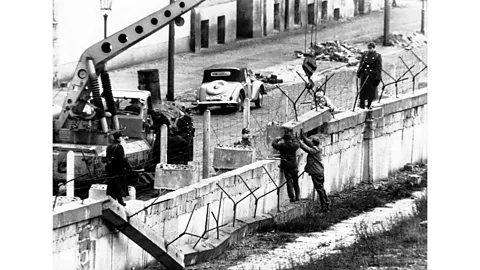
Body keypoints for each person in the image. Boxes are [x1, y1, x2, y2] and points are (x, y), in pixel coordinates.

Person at [298, 132, 330, 211]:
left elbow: (306, 148)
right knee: (321, 188)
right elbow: (309, 144)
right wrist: (304, 138)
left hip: (316, 171)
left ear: (314, 143)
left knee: (319, 189)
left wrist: (299, 142)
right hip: (319, 171)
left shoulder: (314, 150)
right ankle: (326, 202)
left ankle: (324, 206)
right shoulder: (317, 147)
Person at [272, 130, 301, 202]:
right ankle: (297, 196)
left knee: (289, 181)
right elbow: (298, 143)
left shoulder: (282, 146)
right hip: (294, 165)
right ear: (290, 139)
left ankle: (292, 197)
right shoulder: (294, 145)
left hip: (286, 165)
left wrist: (279, 138)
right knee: (296, 182)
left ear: (284, 139)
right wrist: (293, 137)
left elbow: (274, 144)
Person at [104, 132, 132, 206]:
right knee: (119, 185)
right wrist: (128, 167)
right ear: (119, 138)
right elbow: (122, 158)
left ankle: (115, 200)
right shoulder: (119, 147)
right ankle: (120, 201)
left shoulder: (109, 146)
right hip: (118, 169)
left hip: (110, 169)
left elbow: (107, 157)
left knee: (112, 184)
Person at [356, 42, 382, 109]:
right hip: (364, 75)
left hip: (371, 76)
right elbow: (361, 64)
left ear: (373, 48)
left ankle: (369, 105)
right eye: (368, 48)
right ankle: (362, 106)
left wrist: (378, 77)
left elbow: (378, 68)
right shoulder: (365, 54)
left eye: (370, 48)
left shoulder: (377, 56)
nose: (369, 49)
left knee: (370, 92)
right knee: (362, 92)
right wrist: (359, 72)